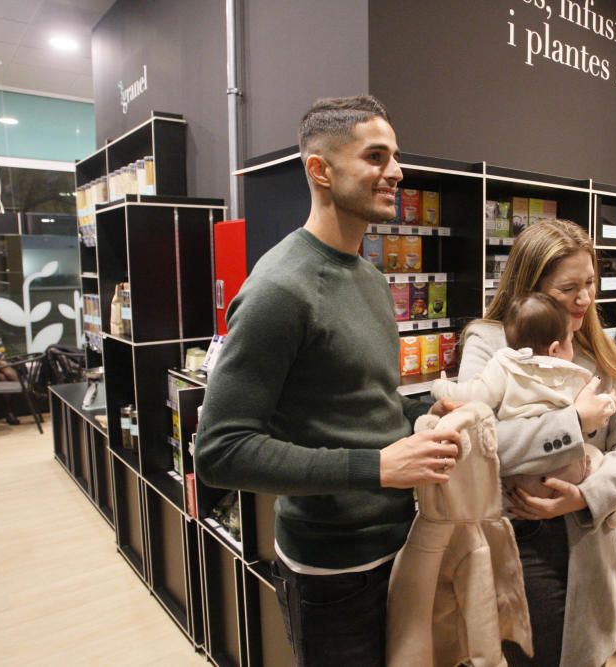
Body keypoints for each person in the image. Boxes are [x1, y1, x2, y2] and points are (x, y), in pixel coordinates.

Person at [193, 96, 462, 667]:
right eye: (377, 156)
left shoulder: (367, 276)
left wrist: (421, 422)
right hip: (334, 576)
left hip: (403, 546)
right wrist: (378, 467)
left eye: (395, 156)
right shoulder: (279, 290)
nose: (397, 172)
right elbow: (221, 451)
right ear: (321, 170)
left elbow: (360, 404)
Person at [457, 218, 616, 667]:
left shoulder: (599, 351)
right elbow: (477, 444)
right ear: (532, 289)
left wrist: (586, 497)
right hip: (517, 539)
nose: (585, 298)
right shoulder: (490, 343)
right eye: (569, 288)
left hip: (585, 536)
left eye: (589, 282)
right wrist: (574, 424)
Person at [432, 292, 616, 499]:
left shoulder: (503, 365)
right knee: (594, 456)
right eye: (570, 340)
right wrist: (609, 402)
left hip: (518, 478)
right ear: (555, 349)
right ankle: (611, 515)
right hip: (567, 471)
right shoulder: (571, 374)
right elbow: (590, 407)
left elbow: (471, 395)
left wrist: (440, 385)